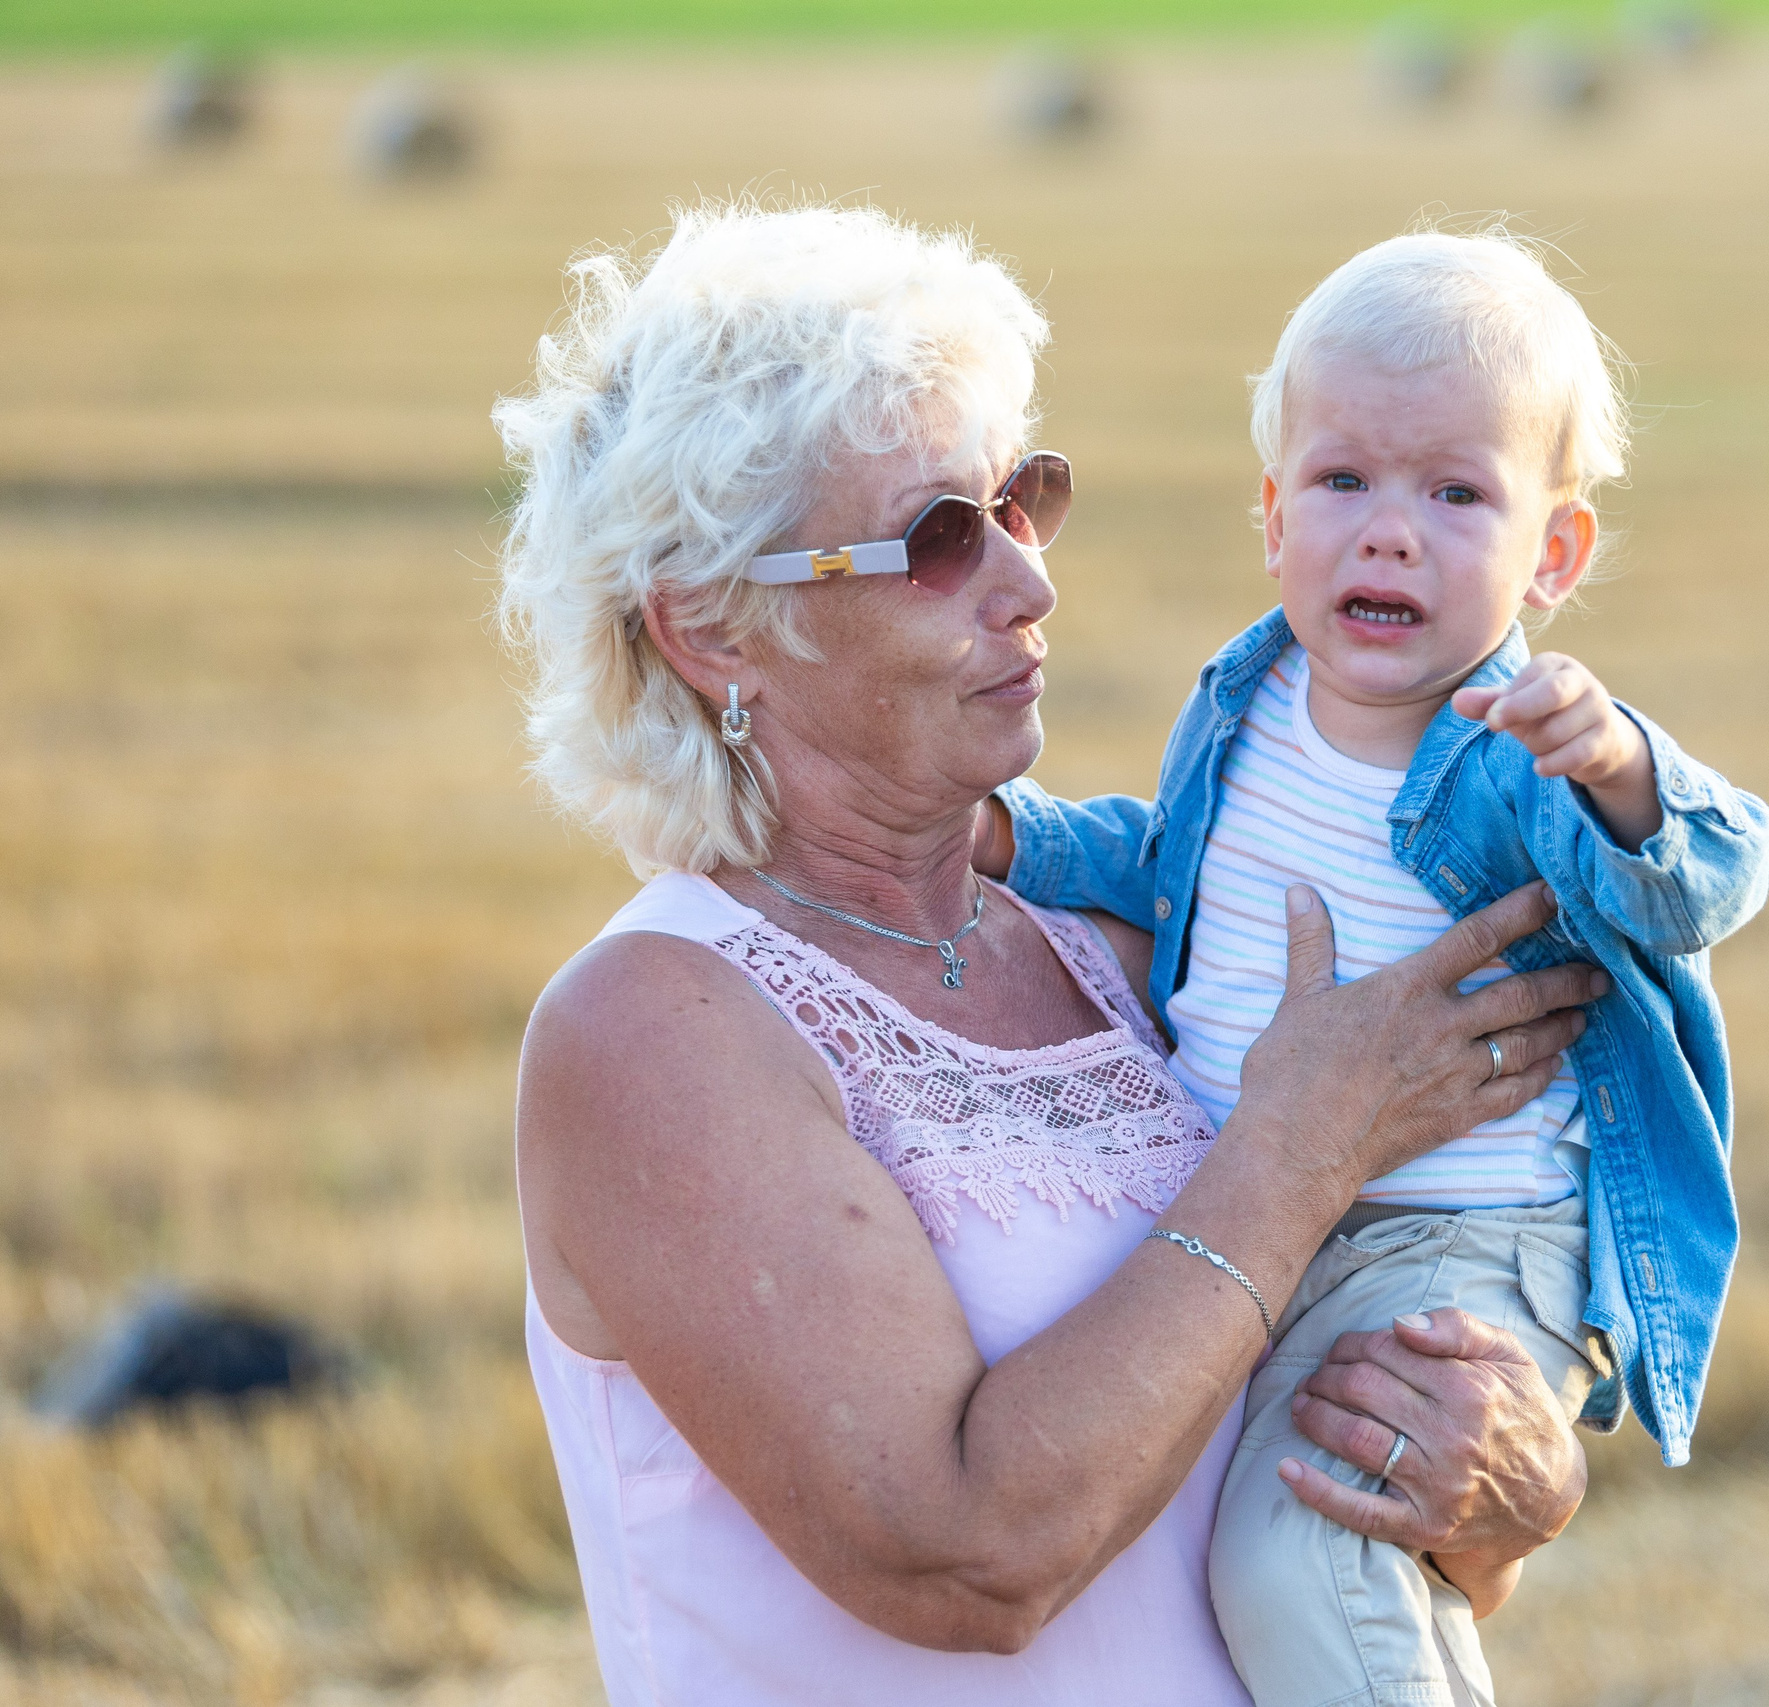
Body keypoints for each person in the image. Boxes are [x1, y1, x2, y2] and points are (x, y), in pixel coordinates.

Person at [492, 202, 1608, 1706]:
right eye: (941, 537)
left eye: (1022, 499)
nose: (1028, 580)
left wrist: (1509, 1491)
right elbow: (967, 1556)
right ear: (708, 628)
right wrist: (1304, 1144)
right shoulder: (654, 1030)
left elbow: (1299, 1493)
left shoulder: (1131, 940)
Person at [977, 228, 1769, 1706]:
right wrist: (1010, 840)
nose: (1390, 530)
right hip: (1275, 1217)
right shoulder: (1248, 696)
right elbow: (1173, 864)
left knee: (1310, 1557)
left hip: (1450, 1245)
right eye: (1344, 481)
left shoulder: (1520, 748)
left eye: (1457, 493)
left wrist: (1621, 770)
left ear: (1556, 553)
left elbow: (1707, 882)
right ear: (1274, 519)